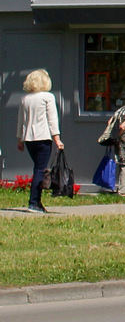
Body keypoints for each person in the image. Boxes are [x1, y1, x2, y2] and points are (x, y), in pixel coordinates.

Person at [16, 68, 63, 213]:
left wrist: (20, 139)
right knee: (40, 170)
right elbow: (52, 119)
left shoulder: (25, 98)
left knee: (38, 168)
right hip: (43, 137)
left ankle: (36, 202)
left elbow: (21, 121)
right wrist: (57, 139)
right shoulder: (48, 97)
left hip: (29, 138)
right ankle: (34, 202)